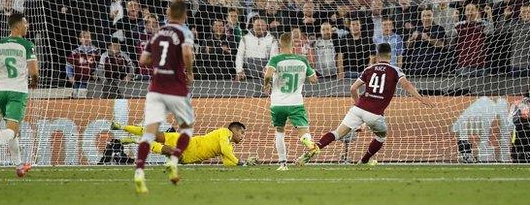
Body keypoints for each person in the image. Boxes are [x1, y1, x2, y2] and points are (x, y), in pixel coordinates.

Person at [298, 43, 434, 165]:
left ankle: (311, 151)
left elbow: (353, 88)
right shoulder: (395, 70)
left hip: (357, 109)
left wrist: (359, 105)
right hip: (375, 114)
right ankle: (364, 161)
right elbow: (407, 85)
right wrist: (422, 99)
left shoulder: (369, 69)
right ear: (390, 55)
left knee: (336, 133)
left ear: (377, 54)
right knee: (381, 137)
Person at [134, 0, 195, 193]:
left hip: (156, 88)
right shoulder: (184, 32)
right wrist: (190, 72)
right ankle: (174, 160)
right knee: (187, 128)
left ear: (168, 14)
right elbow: (186, 54)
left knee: (149, 133)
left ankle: (139, 172)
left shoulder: (157, 32)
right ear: (184, 15)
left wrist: (159, 62)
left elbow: (142, 60)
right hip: (176, 88)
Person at [0, 13, 38, 177]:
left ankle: (19, 166)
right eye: (25, 23)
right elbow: (34, 71)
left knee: (13, 129)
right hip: (17, 91)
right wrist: (34, 82)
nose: (27, 26)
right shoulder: (27, 45)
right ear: (18, 26)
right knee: (12, 130)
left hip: (1, 91)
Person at [263, 32, 319, 170]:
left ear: (280, 45)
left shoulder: (275, 59)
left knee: (279, 131)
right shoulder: (302, 60)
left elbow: (268, 75)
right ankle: (308, 143)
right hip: (295, 102)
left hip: (277, 103)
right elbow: (314, 80)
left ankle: (283, 164)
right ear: (292, 44)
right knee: (303, 130)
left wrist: (267, 85)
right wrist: (301, 76)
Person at [111, 121, 257, 166]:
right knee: (155, 134)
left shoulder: (229, 146)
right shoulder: (225, 132)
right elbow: (225, 151)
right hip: (188, 142)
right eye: (242, 133)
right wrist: (241, 162)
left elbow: (228, 162)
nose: (243, 136)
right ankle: (121, 127)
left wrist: (244, 162)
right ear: (235, 130)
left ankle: (136, 140)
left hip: (188, 157)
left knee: (171, 152)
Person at [66, 30, 100, 98]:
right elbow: (69, 65)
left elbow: (99, 65)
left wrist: (96, 73)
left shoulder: (96, 51)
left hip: (89, 81)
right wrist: (70, 76)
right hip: (77, 80)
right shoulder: (75, 52)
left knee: (83, 99)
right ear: (80, 39)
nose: (86, 39)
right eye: (84, 37)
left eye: (88, 37)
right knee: (76, 99)